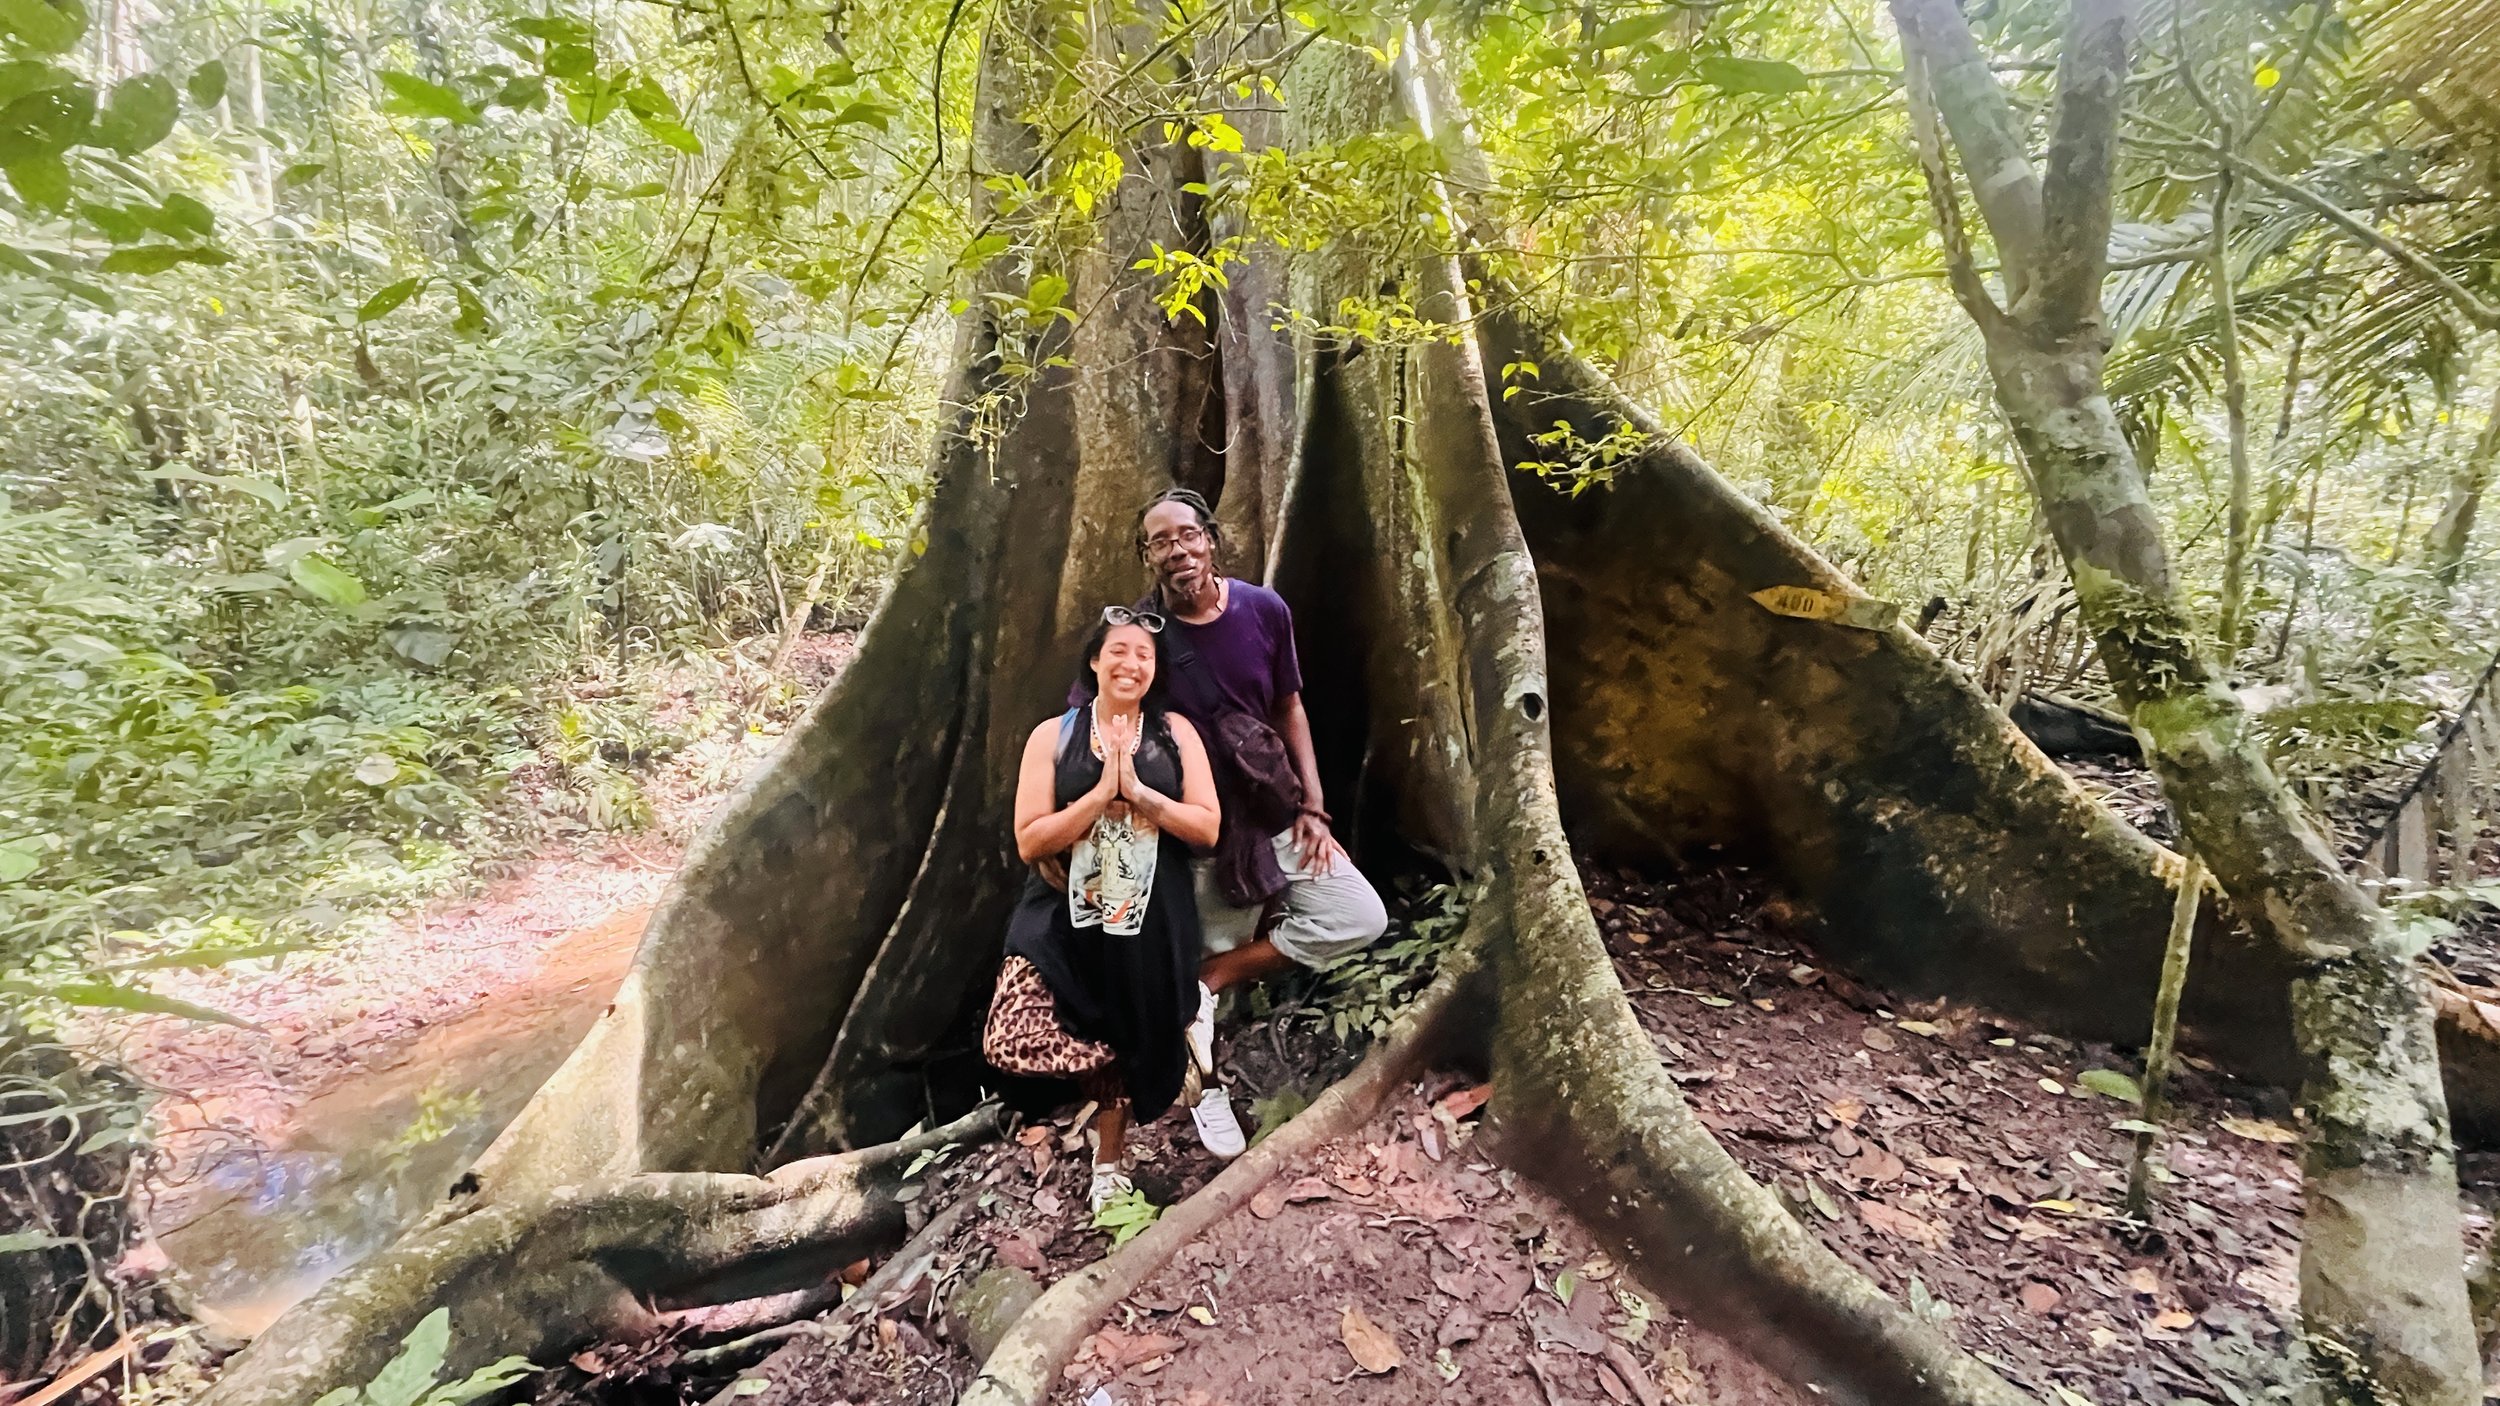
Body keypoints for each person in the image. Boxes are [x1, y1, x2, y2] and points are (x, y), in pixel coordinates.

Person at [1131, 488, 1390, 1148]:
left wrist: (1313, 807)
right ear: (1148, 555)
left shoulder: (1262, 609)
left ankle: (1223, 972)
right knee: (1189, 1007)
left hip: (1276, 816)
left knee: (1359, 915)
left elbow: (1290, 710)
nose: (1177, 550)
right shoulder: (1141, 638)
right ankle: (1205, 1093)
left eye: (1186, 534)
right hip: (1202, 839)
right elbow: (1098, 723)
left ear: (1210, 538)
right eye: (1160, 541)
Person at [982, 607, 1228, 1213]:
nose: (1131, 663)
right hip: (1061, 914)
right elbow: (1030, 839)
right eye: (1119, 650)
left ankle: (1108, 1166)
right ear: (1095, 660)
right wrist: (1098, 796)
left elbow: (1208, 828)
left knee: (1126, 1034)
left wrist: (1140, 793)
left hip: (1150, 911)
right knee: (1009, 1036)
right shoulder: (1055, 735)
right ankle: (1168, 1043)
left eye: (1144, 655)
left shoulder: (1175, 733)